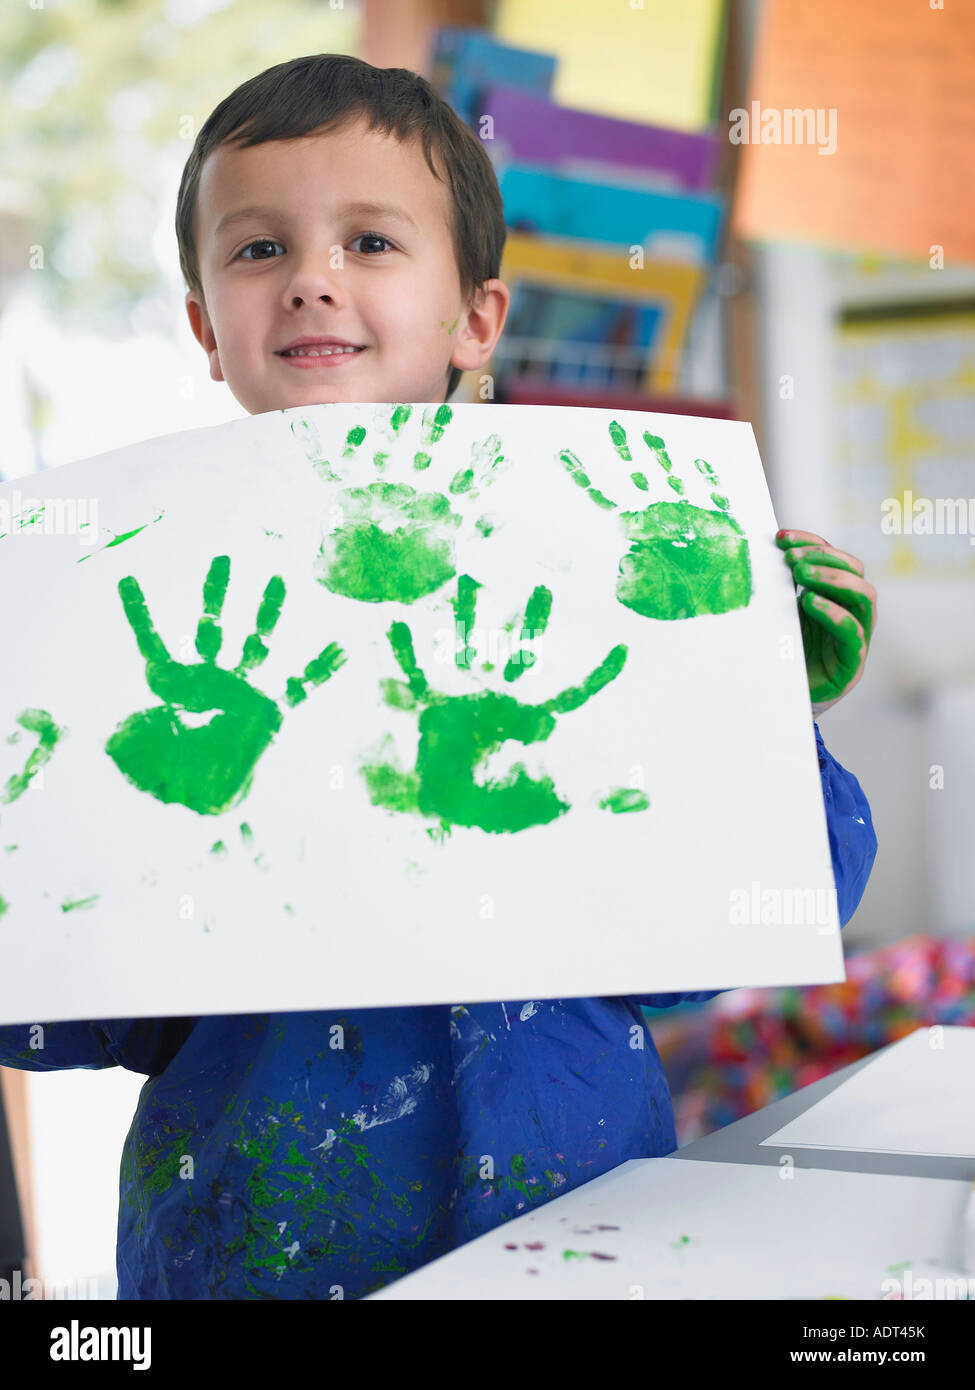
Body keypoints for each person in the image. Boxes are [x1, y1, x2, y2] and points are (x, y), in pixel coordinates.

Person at [0, 54, 878, 1301]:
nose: (311, 277)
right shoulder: (124, 607)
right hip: (243, 1247)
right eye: (257, 251)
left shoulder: (604, 578)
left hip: (577, 1228)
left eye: (368, 240)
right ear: (204, 325)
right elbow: (78, 1019)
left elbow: (742, 923)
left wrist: (762, 706)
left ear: (477, 317)